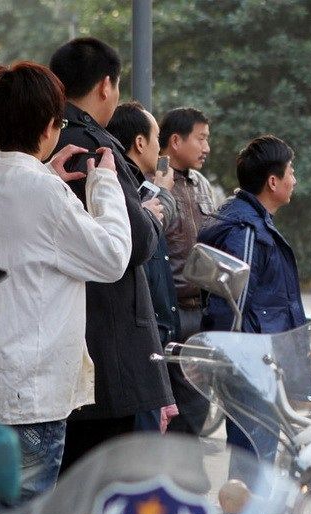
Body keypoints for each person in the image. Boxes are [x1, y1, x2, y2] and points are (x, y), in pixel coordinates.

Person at [0, 62, 132, 514]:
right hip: (27, 401)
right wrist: (104, 186)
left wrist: (45, 174)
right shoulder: (44, 195)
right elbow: (113, 258)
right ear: (50, 127)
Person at [48, 37, 173, 472]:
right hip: (105, 346)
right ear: (106, 85)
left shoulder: (42, 144)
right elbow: (132, 243)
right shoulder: (92, 146)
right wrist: (150, 216)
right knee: (97, 493)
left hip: (51, 349)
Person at [199, 135, 306, 458]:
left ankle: (244, 510)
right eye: (290, 172)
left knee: (259, 455)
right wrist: (238, 365)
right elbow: (232, 302)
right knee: (253, 458)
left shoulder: (254, 222)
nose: (294, 179)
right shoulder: (246, 230)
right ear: (273, 182)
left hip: (263, 360)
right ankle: (239, 512)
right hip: (251, 364)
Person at [106, 101, 187, 434]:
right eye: (156, 137)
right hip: (136, 358)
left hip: (151, 350)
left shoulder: (142, 195)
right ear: (140, 143)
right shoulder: (131, 197)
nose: (160, 146)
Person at [159, 108, 216, 338]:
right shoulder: (153, 181)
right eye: (201, 138)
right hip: (168, 310)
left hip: (204, 308)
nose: (206, 148)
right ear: (175, 140)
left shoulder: (201, 184)